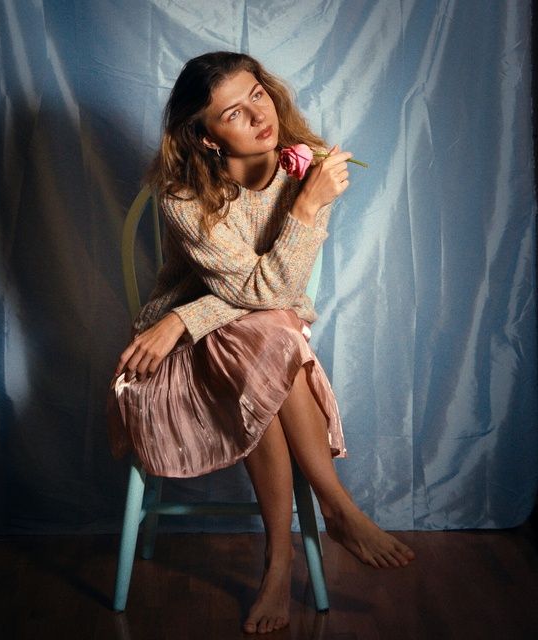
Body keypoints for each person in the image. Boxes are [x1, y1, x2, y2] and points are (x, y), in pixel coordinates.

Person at [107, 51, 414, 635]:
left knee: (268, 338)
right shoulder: (182, 195)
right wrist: (178, 323)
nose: (258, 115)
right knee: (272, 337)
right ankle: (336, 508)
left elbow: (281, 293)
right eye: (232, 113)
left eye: (257, 95)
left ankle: (279, 563)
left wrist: (187, 316)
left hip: (252, 339)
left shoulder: (306, 168)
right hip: (178, 357)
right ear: (206, 138)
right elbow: (263, 290)